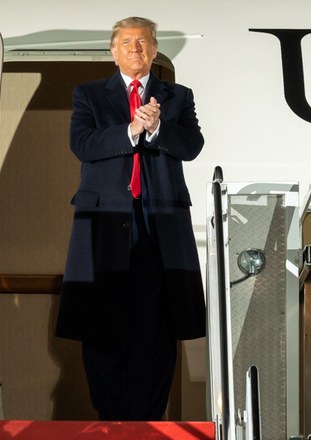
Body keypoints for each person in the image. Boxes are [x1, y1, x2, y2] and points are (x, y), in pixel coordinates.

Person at [55, 16, 206, 421]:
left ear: (155, 50)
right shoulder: (89, 94)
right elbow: (83, 145)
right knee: (102, 326)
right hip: (105, 227)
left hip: (159, 227)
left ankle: (147, 423)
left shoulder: (177, 95)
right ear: (113, 50)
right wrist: (131, 129)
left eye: (143, 43)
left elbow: (192, 145)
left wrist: (156, 130)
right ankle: (110, 422)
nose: (135, 49)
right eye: (126, 42)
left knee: (155, 332)